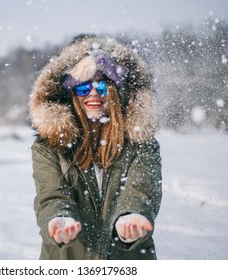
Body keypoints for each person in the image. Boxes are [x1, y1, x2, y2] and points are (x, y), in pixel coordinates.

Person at [29, 34, 162, 260]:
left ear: (115, 91)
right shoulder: (49, 146)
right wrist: (58, 218)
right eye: (82, 87)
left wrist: (130, 216)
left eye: (101, 85)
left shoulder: (141, 144)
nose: (92, 94)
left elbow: (141, 190)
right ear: (70, 93)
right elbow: (50, 194)